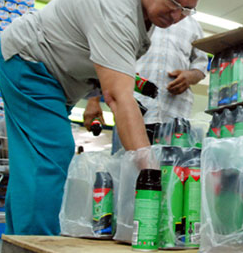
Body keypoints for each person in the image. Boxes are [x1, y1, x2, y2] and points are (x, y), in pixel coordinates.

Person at [0, 0, 209, 235]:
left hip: (53, 77)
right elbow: (119, 96)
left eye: (187, 9)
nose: (177, 15)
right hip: (30, 63)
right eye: (173, 1)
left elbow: (108, 69)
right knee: (52, 152)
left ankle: (17, 244)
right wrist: (151, 170)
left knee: (31, 162)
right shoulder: (116, 7)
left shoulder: (147, 13)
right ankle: (36, 251)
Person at [84, 15, 208, 151]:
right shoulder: (132, 15)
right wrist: (93, 99)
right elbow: (106, 58)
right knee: (127, 168)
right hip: (131, 111)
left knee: (170, 169)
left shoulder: (193, 26)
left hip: (175, 119)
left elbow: (201, 66)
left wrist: (190, 76)